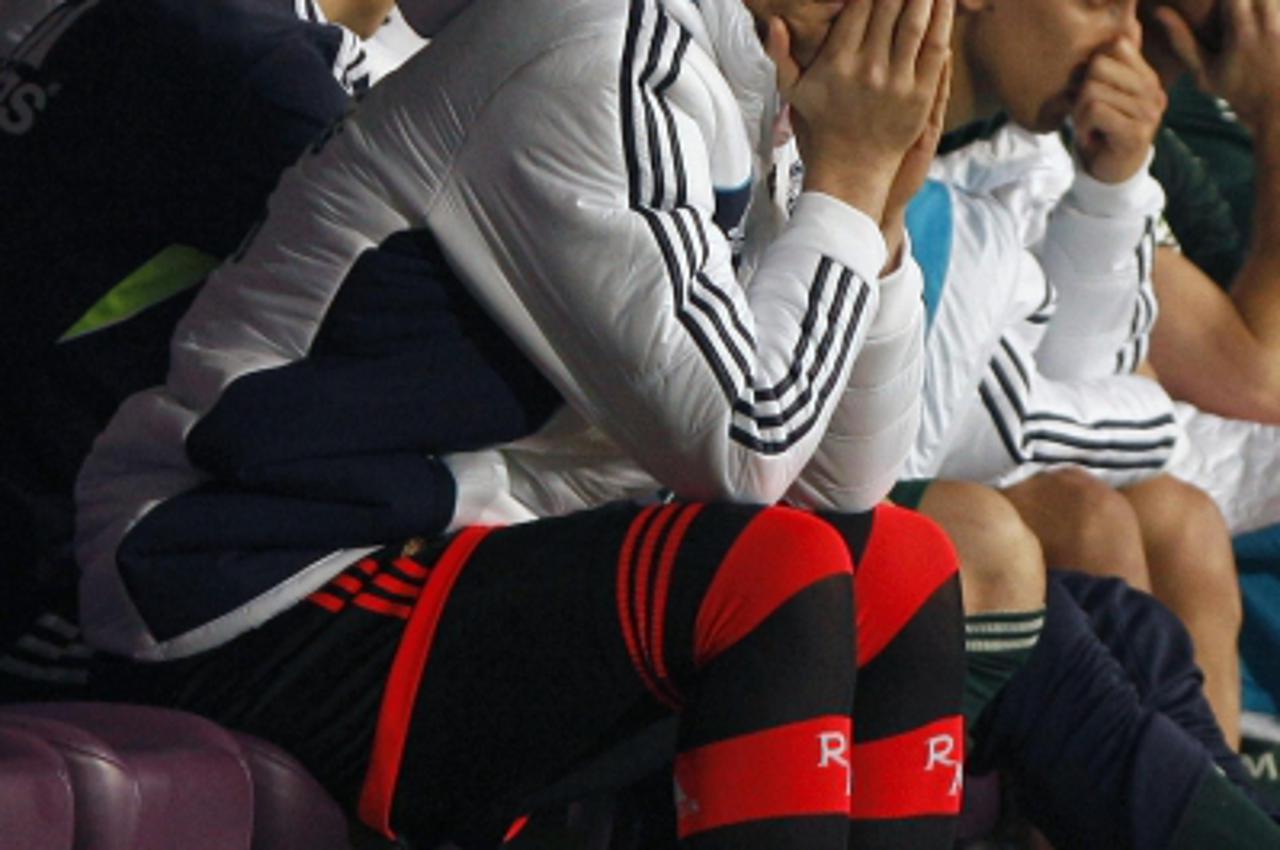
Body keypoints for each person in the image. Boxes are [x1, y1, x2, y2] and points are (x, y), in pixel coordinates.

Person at [77, 0, 967, 847]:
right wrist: (844, 189)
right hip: (254, 566)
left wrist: (876, 216)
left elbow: (842, 482)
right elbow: (748, 447)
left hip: (458, 549)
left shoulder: (755, 94)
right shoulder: (593, 56)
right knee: (768, 573)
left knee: (900, 567)